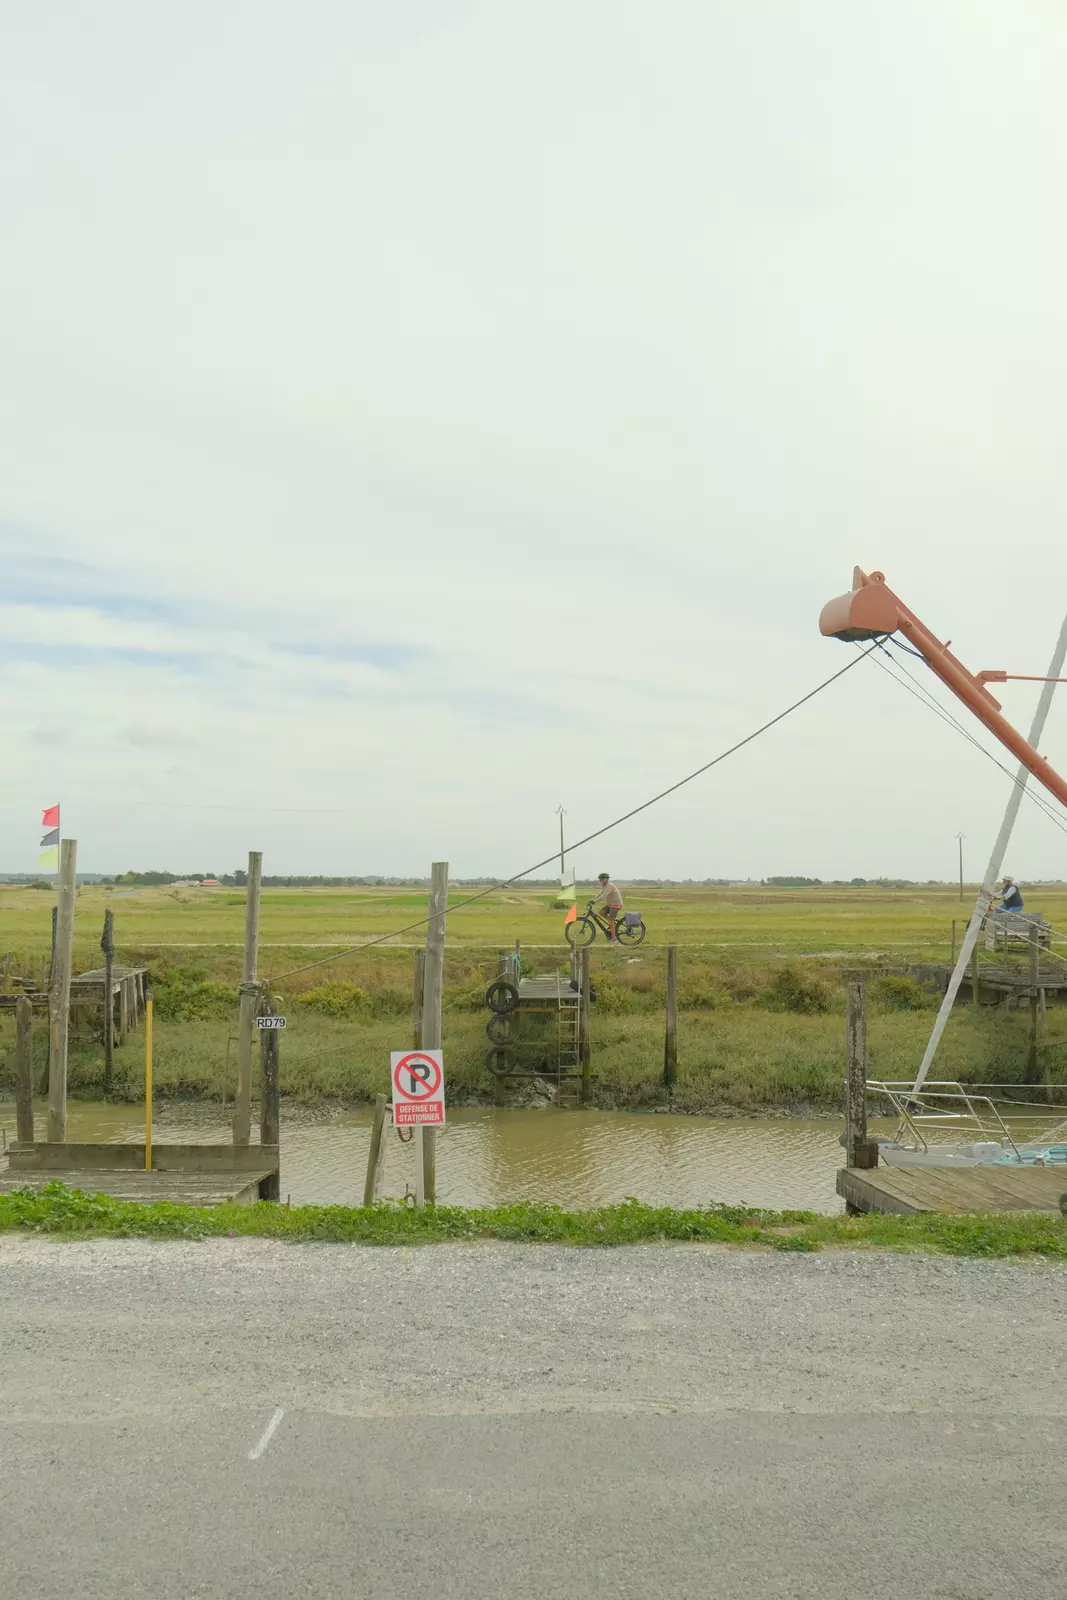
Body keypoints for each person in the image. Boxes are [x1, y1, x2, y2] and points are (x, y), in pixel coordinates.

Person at [595, 873, 624, 942]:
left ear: (605, 879)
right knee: (601, 912)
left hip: (616, 904)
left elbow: (604, 895)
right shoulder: (605, 885)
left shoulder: (610, 885)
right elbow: (601, 893)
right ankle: (613, 923)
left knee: (611, 920)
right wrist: (593, 899)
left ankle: (614, 938)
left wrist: (595, 902)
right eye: (600, 880)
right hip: (610, 904)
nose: (600, 881)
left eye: (601, 880)